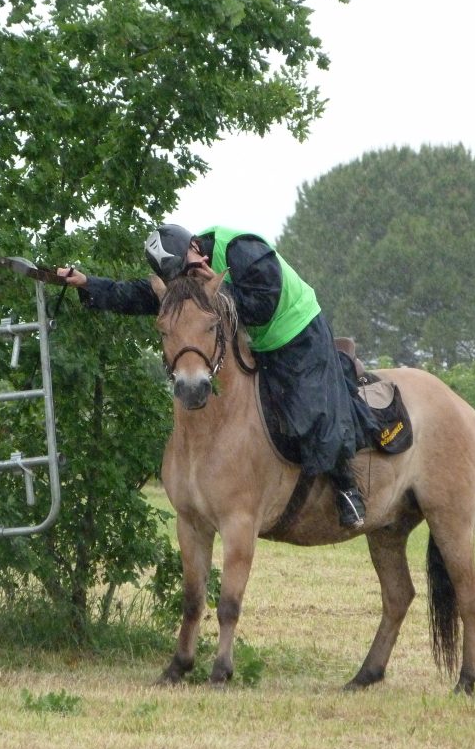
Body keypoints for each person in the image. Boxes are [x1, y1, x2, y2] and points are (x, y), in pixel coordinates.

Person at [58, 224, 366, 528]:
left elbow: (263, 305)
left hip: (299, 330)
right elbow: (140, 295)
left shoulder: (242, 250)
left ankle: (347, 488)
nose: (186, 280)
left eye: (187, 270)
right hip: (262, 341)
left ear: (194, 247)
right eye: (178, 277)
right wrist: (88, 284)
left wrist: (221, 290)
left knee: (312, 409)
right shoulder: (188, 271)